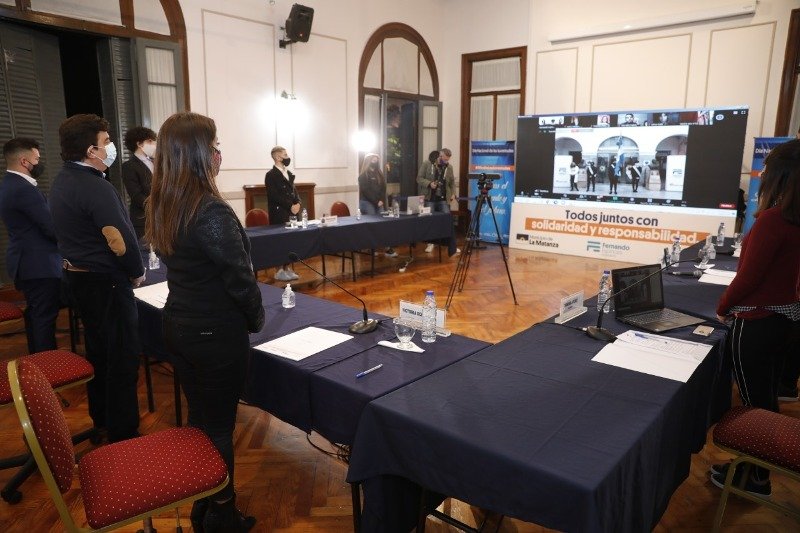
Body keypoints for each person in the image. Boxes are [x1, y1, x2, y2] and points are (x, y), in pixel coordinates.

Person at [146, 112, 264, 533]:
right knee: (218, 427)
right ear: (198, 154)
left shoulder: (165, 200)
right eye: (214, 146)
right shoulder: (209, 209)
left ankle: (202, 499)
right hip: (212, 333)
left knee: (200, 419)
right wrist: (256, 318)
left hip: (179, 325)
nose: (219, 153)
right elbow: (240, 278)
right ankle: (222, 513)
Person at [712, 139, 800, 497]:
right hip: (785, 321)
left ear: (780, 176)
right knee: (765, 398)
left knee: (753, 404)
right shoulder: (793, 220)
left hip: (756, 323)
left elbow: (748, 278)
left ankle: (756, 478)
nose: (761, 176)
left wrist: (723, 306)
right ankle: (754, 468)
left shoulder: (773, 221)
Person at [49, 114, 144, 444]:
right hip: (107, 282)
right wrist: (136, 271)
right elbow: (119, 239)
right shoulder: (95, 185)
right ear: (91, 150)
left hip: (80, 279)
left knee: (100, 354)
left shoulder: (62, 180)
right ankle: (123, 434)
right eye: (106, 142)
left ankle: (102, 421)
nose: (111, 148)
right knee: (122, 358)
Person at [0, 138, 62, 353]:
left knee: (37, 314)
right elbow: (50, 227)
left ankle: (38, 358)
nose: (39, 162)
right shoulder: (23, 188)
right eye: (37, 158)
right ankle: (46, 364)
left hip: (27, 260)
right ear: (24, 161)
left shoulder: (9, 183)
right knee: (44, 316)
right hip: (38, 263)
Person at [265, 146, 300, 281]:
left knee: (290, 241)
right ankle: (279, 270)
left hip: (291, 212)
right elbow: (274, 196)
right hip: (279, 213)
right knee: (280, 242)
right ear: (277, 157)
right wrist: (290, 206)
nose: (287, 157)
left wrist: (298, 203)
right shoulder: (271, 175)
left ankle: (287, 267)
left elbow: (294, 191)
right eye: (285, 155)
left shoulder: (288, 173)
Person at [357, 153, 397, 257]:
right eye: (373, 160)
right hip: (366, 202)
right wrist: (376, 201)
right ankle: (371, 248)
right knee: (372, 225)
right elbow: (366, 191)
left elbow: (383, 188)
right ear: (368, 161)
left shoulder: (379, 174)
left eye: (377, 160)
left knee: (383, 224)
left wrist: (381, 200)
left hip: (379, 202)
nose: (375, 162)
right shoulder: (363, 176)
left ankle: (387, 248)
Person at [417, 148, 456, 252]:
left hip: (443, 198)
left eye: (448, 160)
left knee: (447, 220)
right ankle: (430, 243)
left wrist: (453, 193)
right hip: (429, 198)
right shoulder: (427, 164)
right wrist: (429, 184)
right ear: (440, 156)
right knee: (430, 221)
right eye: (445, 159)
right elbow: (419, 178)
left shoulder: (449, 167)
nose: (446, 161)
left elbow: (452, 183)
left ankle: (450, 245)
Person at [121, 126, 157, 240]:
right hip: (143, 220)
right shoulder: (129, 166)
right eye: (150, 141)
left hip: (160, 219)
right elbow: (136, 195)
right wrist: (157, 206)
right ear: (139, 144)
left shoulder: (155, 162)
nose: (154, 144)